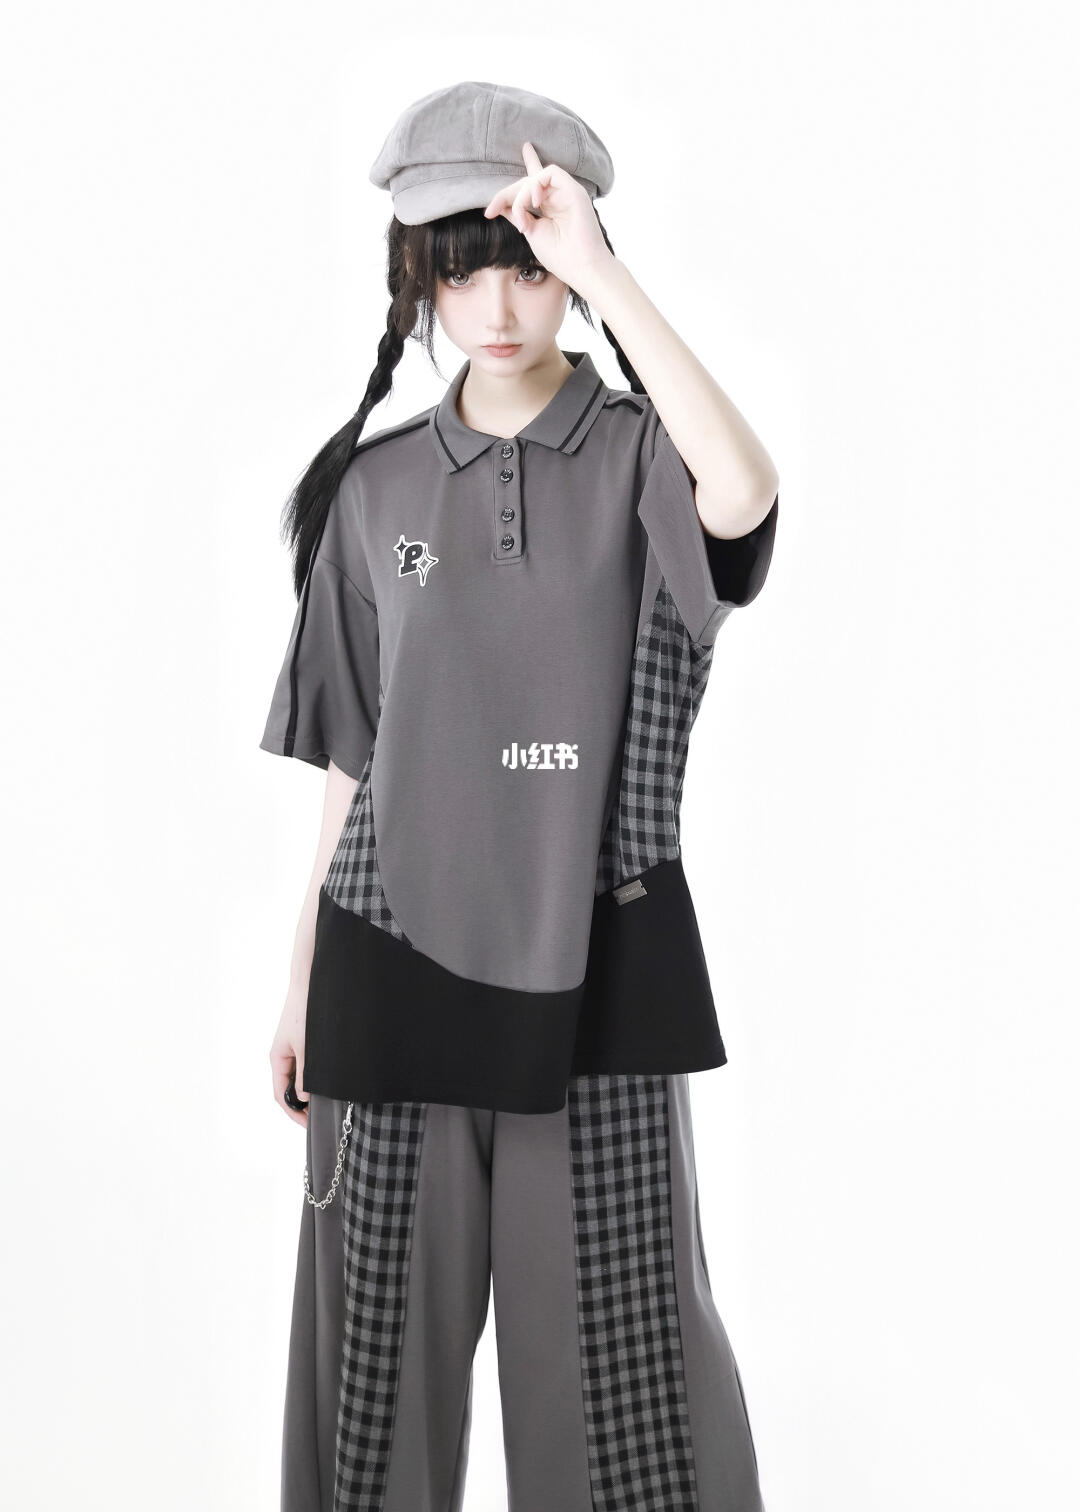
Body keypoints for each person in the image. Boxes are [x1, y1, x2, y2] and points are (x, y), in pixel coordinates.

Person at [260, 81, 779, 1512]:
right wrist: (301, 981)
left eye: (528, 266)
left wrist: (601, 268)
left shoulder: (642, 458)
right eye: (463, 269)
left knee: (629, 1417)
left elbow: (745, 497)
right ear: (416, 281)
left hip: (602, 991)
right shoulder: (370, 492)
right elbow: (354, 757)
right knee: (368, 1421)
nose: (498, 304)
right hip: (388, 976)